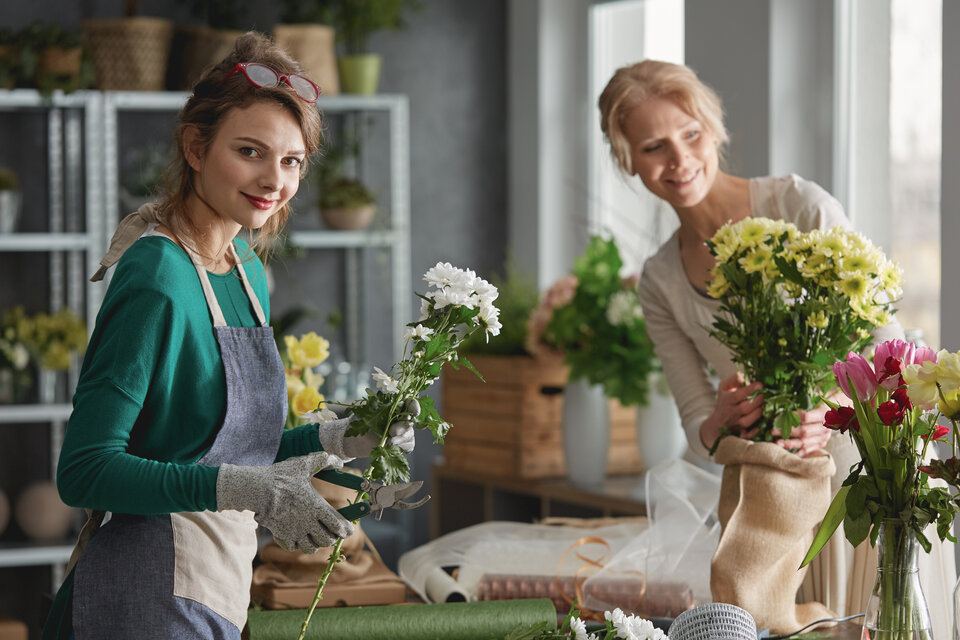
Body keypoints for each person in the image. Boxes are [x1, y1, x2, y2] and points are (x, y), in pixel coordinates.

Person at [42, 32, 414, 640]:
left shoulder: (246, 268)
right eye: (250, 151)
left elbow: (231, 449)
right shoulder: (156, 274)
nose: (274, 180)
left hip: (216, 587)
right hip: (143, 598)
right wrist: (251, 489)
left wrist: (341, 435)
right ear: (195, 146)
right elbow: (84, 471)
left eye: (292, 160)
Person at [597, 60, 954, 632]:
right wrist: (721, 417)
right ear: (627, 159)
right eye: (653, 146)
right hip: (771, 506)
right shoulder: (659, 281)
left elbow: (886, 353)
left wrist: (838, 417)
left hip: (867, 473)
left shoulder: (800, 207)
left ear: (713, 128)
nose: (680, 159)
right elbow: (698, 428)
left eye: (690, 135)